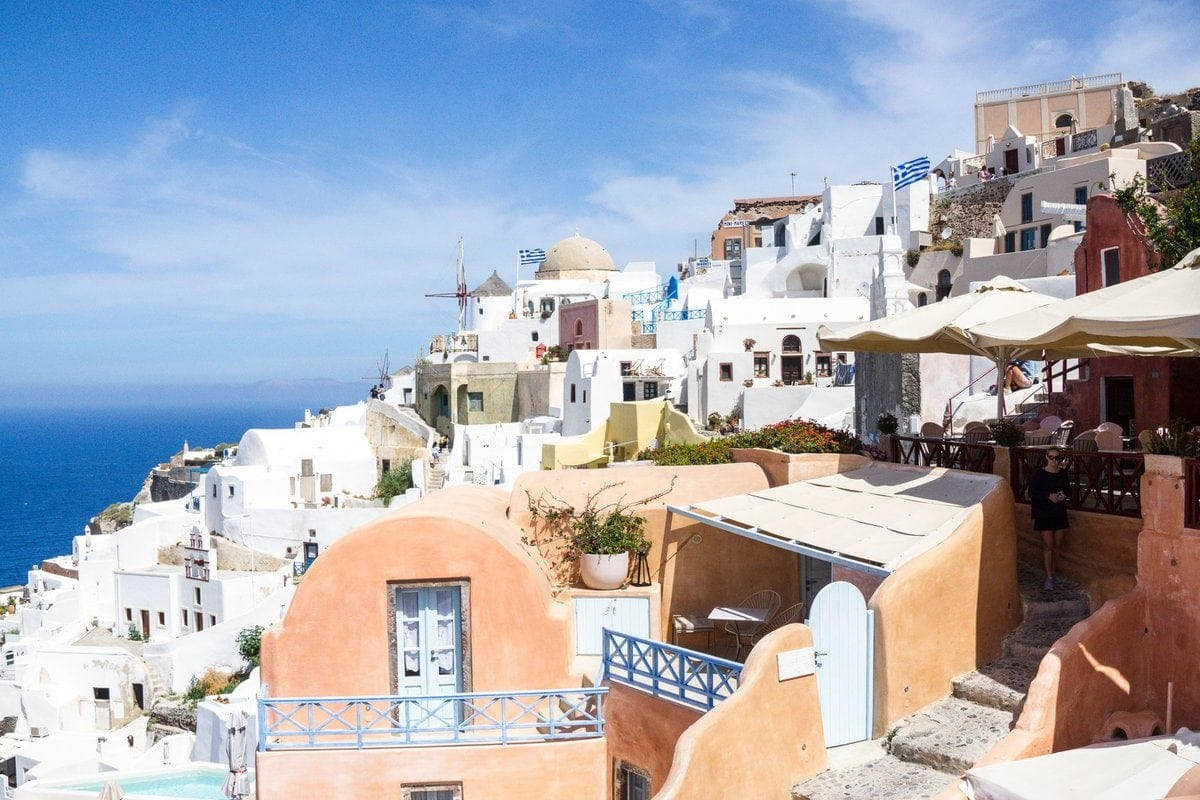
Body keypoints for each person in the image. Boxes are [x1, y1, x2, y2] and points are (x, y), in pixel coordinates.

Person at [1030, 447, 1070, 590]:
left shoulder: (1063, 474)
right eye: (1051, 457)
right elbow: (1032, 492)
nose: (1054, 460)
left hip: (1059, 511)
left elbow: (1068, 490)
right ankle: (1049, 577)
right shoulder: (1039, 474)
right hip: (1044, 512)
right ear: (1046, 457)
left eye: (1057, 458)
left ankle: (1053, 572)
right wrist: (1048, 496)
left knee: (1057, 545)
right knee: (1048, 545)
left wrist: (1062, 495)